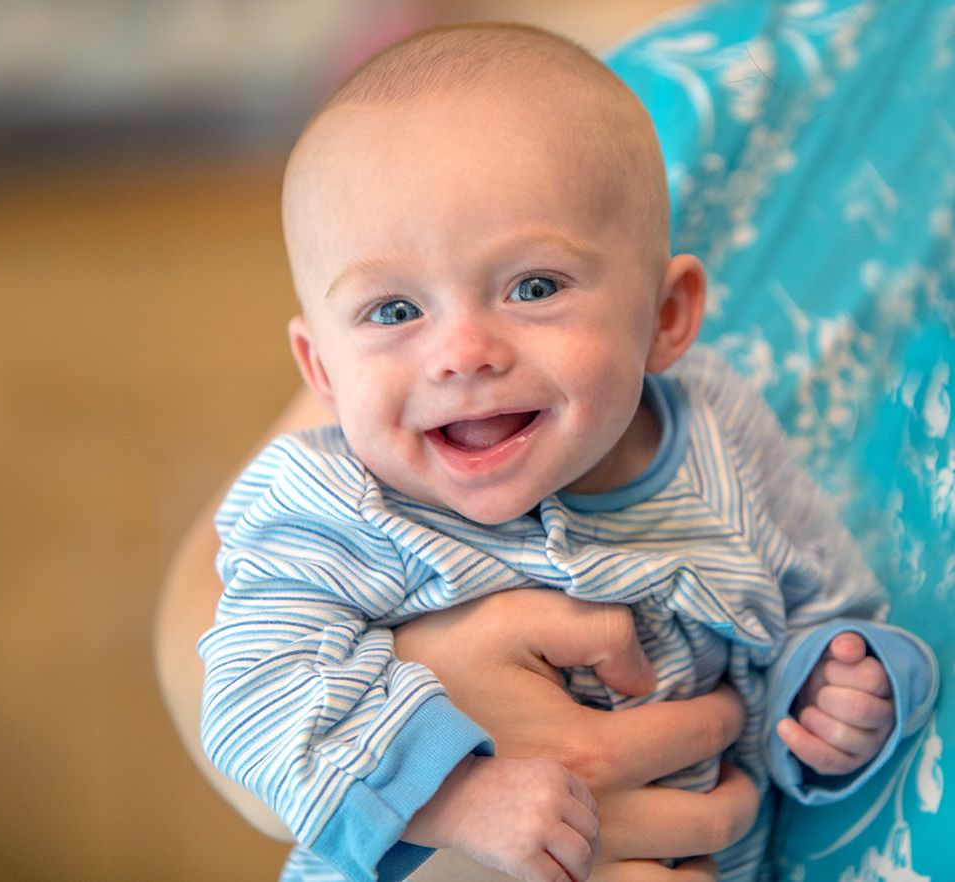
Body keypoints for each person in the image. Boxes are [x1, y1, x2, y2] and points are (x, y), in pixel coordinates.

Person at [192, 23, 937, 882]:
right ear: (322, 368)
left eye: (533, 287)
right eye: (395, 311)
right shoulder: (328, 506)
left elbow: (818, 604)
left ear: (666, 316)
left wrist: (829, 691)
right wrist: (454, 800)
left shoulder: (722, 440)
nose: (461, 352)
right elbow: (252, 698)